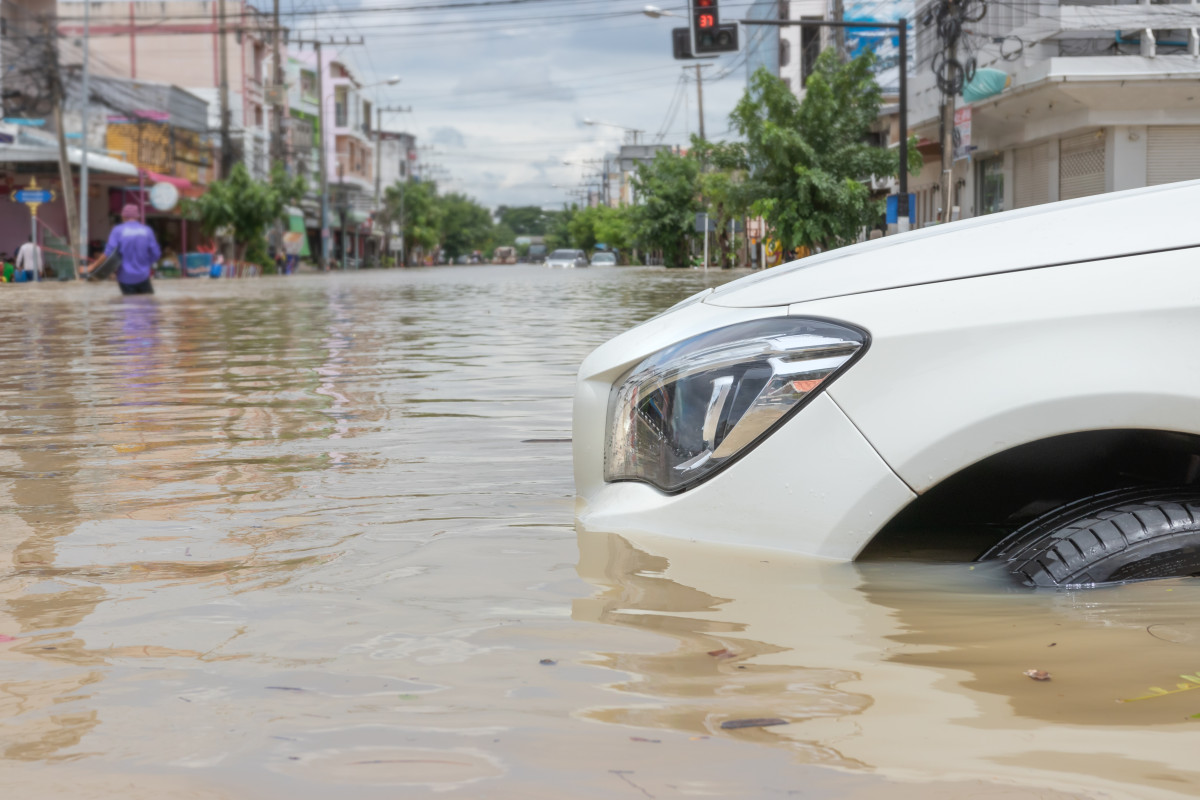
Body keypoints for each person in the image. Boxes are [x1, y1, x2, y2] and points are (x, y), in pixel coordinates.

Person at [86, 204, 161, 295]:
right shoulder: (147, 230)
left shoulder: (117, 230)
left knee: (128, 306)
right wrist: (145, 264)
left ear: (123, 216)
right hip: (143, 276)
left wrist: (93, 266)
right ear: (138, 216)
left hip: (125, 278)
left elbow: (107, 253)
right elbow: (156, 254)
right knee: (147, 305)